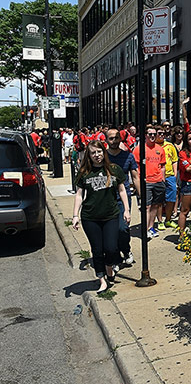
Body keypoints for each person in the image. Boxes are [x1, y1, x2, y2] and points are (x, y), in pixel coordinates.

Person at [72, 141, 130, 294]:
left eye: (99, 152)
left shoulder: (114, 169)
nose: (97, 155)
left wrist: (127, 210)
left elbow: (122, 191)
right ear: (88, 156)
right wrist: (75, 215)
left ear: (104, 152)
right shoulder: (84, 172)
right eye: (93, 153)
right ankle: (102, 280)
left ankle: (109, 267)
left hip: (111, 214)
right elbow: (79, 195)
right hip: (90, 217)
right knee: (97, 250)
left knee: (111, 248)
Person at [105, 128, 140, 266]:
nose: (114, 141)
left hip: (123, 197)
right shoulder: (103, 157)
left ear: (120, 139)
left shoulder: (128, 156)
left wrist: (141, 196)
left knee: (123, 227)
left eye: (116, 138)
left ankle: (126, 250)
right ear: (106, 140)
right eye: (111, 138)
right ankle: (114, 256)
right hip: (106, 199)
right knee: (110, 230)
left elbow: (135, 177)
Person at [133, 125, 166, 239]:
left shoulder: (160, 149)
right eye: (150, 134)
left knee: (155, 206)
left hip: (158, 181)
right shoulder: (139, 149)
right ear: (145, 135)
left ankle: (150, 227)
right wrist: (138, 181)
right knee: (146, 206)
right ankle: (145, 229)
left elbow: (162, 165)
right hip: (146, 181)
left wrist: (163, 179)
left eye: (154, 134)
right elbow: (135, 166)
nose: (152, 136)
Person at [156, 128, 179, 230]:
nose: (161, 135)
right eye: (159, 133)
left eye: (163, 133)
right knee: (159, 200)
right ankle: (160, 221)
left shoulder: (170, 146)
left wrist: (174, 174)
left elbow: (174, 160)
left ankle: (168, 219)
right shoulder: (152, 146)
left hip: (170, 176)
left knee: (171, 199)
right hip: (157, 176)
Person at [177, 130, 191, 234]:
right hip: (188, 183)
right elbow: (187, 168)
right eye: (190, 139)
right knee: (185, 210)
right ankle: (181, 235)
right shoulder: (182, 153)